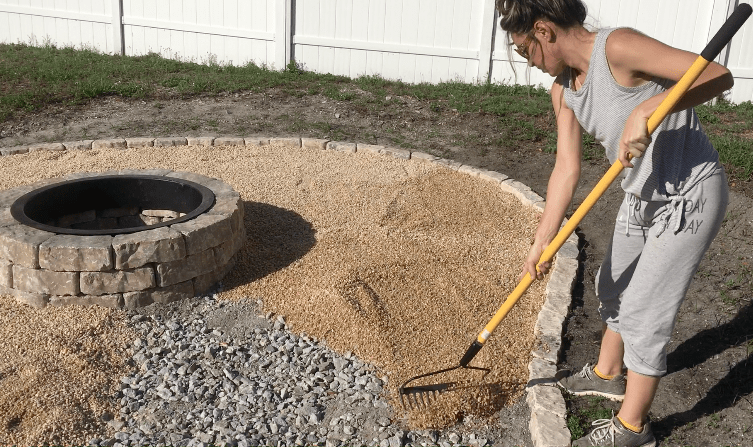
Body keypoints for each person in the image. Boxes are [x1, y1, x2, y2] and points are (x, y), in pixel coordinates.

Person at [496, 0, 734, 446]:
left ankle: (632, 429)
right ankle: (608, 373)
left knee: (644, 310)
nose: (529, 63)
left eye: (526, 51)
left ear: (544, 31)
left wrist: (646, 109)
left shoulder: (617, 48)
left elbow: (717, 74)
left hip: (690, 194)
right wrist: (541, 241)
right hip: (640, 195)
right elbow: (566, 170)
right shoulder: (563, 91)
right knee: (614, 286)